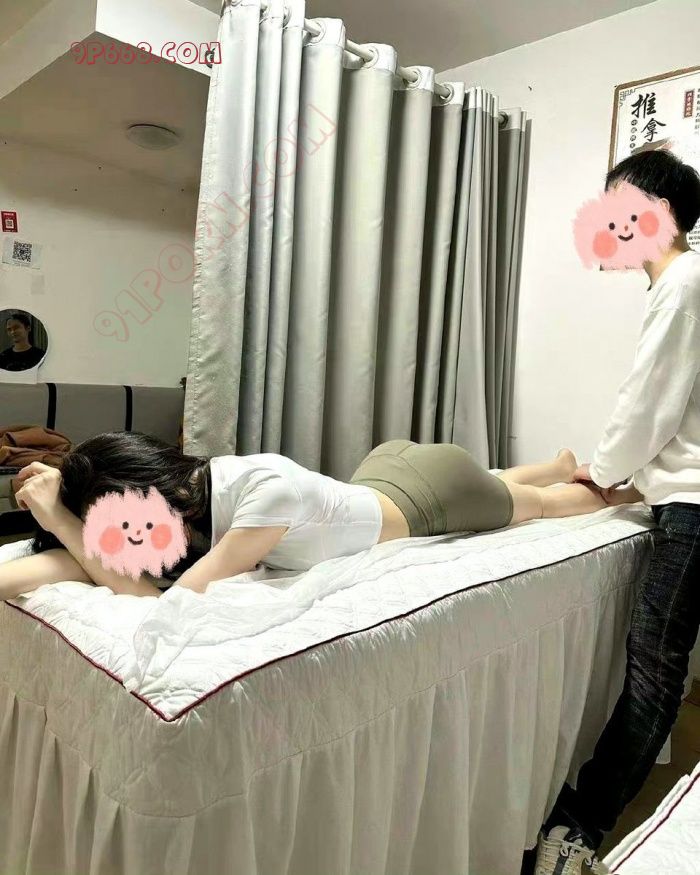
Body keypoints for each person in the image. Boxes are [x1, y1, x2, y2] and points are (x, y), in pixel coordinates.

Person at [535, 150, 700, 875]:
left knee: (654, 675)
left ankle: (576, 830)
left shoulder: (683, 283)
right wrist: (632, 482)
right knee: (660, 671)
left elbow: (648, 404)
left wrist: (603, 472)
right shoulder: (685, 283)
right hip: (683, 499)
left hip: (693, 513)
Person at [0, 431, 641, 602]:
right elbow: (57, 570)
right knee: (500, 485)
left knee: (538, 508)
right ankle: (553, 463)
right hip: (381, 475)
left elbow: (166, 604)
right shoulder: (198, 496)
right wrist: (60, 516)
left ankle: (618, 488)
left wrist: (62, 521)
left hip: (433, 497)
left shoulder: (261, 502)